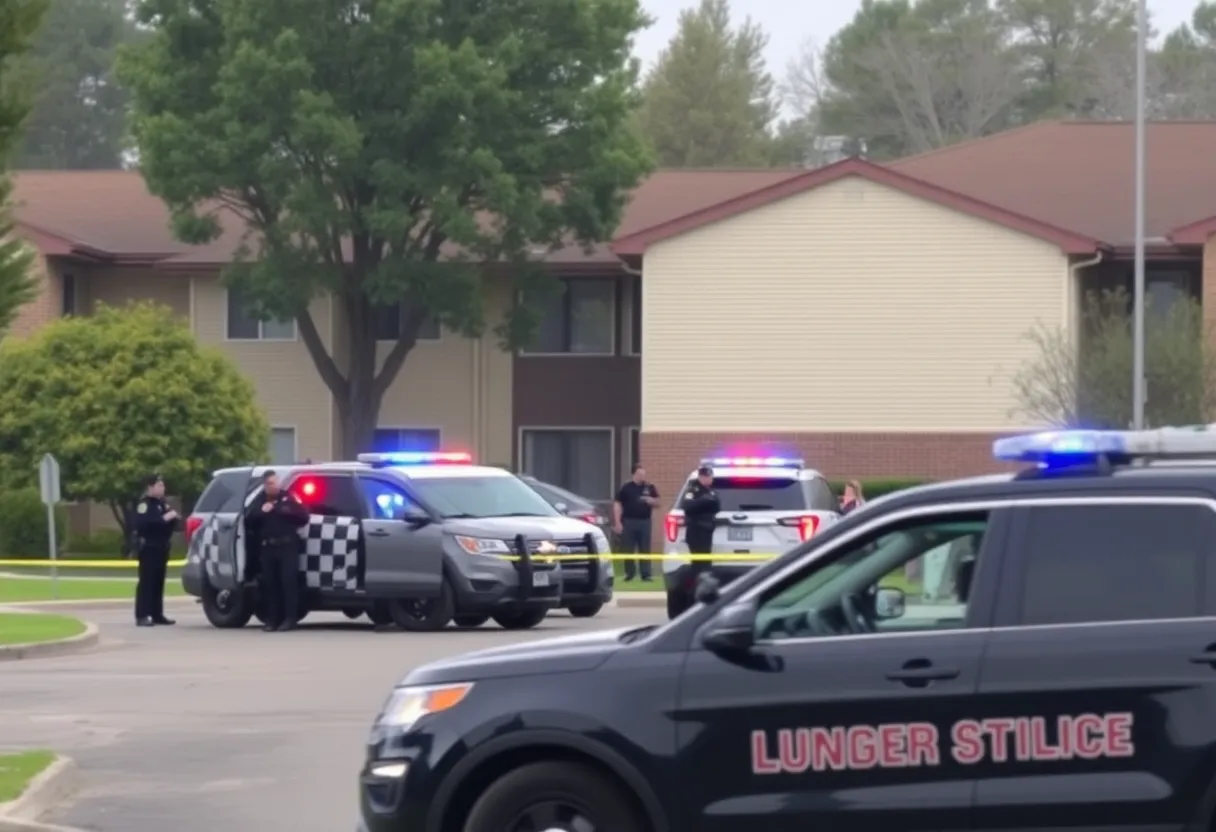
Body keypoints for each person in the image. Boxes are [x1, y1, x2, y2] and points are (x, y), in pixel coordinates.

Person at [244, 470, 309, 632]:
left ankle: (290, 619)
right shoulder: (259, 501)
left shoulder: (289, 498)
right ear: (265, 485)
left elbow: (304, 516)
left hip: (287, 547)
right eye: (269, 484)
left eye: (274, 483)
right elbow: (248, 520)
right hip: (268, 548)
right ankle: (272, 620)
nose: (272, 486)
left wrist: (283, 510)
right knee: (270, 585)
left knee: (288, 583)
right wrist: (262, 511)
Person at [133, 474, 179, 627]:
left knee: (159, 581)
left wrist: (171, 518)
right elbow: (144, 524)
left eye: (163, 485)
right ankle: (143, 615)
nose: (162, 488)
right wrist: (165, 519)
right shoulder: (145, 505)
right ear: (150, 488)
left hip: (161, 547)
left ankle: (156, 613)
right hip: (148, 548)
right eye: (159, 485)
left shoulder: (162, 504)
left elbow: (171, 523)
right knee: (147, 581)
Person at [613, 463, 660, 581]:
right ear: (633, 474)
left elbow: (658, 503)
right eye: (639, 474)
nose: (642, 477)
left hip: (645, 522)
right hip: (629, 521)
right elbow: (617, 504)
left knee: (645, 548)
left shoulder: (649, 487)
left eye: (643, 474)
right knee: (628, 548)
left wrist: (651, 501)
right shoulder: (626, 488)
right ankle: (629, 573)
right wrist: (618, 522)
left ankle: (646, 574)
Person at [681, 465, 720, 573]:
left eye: (710, 476)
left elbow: (717, 507)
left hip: (707, 530)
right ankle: (697, 585)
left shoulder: (711, 491)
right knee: (698, 562)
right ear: (701, 477)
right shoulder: (693, 489)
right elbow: (687, 507)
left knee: (706, 561)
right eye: (706, 476)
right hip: (696, 530)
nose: (709, 479)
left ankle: (705, 582)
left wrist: (707, 502)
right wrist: (704, 501)